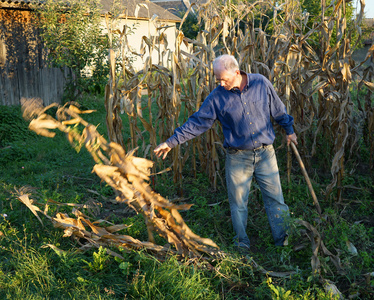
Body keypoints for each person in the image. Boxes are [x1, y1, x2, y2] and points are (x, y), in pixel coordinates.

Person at [154, 54, 297, 251]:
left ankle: (284, 243)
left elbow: (279, 110)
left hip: (266, 154)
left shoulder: (261, 84)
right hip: (238, 157)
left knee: (276, 201)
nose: (221, 84)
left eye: (224, 79)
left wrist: (289, 131)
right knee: (238, 204)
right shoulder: (217, 97)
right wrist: (171, 142)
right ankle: (242, 245)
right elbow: (197, 123)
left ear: (237, 73)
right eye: (217, 79)